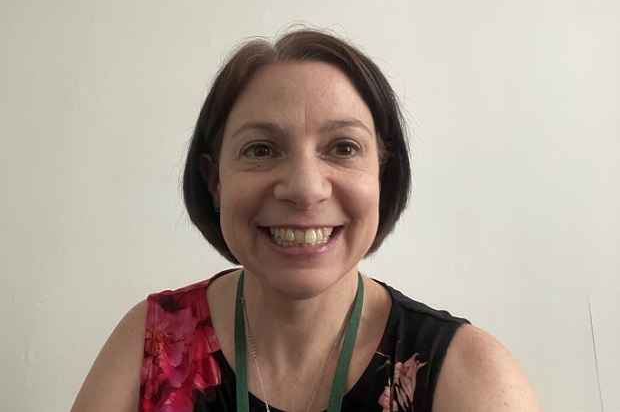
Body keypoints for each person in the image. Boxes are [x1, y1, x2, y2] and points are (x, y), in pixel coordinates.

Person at [71, 29, 543, 412]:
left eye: (342, 148)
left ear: (382, 174)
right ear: (215, 182)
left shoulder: (467, 375)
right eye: (261, 149)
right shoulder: (150, 344)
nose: (304, 187)